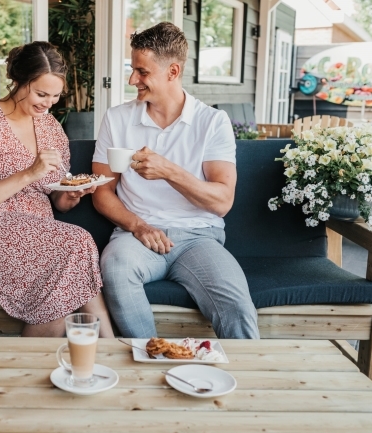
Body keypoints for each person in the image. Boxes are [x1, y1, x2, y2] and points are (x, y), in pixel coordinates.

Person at [92, 23, 259, 339]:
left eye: (142, 72)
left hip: (199, 237)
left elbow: (222, 202)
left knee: (237, 305)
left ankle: (247, 383)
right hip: (137, 236)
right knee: (115, 268)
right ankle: (150, 357)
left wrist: (169, 171)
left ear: (172, 71)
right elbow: (102, 191)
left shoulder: (212, 122)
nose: (132, 80)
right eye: (132, 69)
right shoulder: (117, 118)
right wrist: (139, 226)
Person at [0, 41, 114, 338]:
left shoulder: (51, 129)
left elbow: (57, 200)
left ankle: (97, 350)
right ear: (18, 81)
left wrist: (70, 195)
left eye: (56, 96)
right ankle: (110, 345)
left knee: (65, 269)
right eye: (40, 93)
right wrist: (28, 173)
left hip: (38, 235)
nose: (48, 103)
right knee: (76, 243)